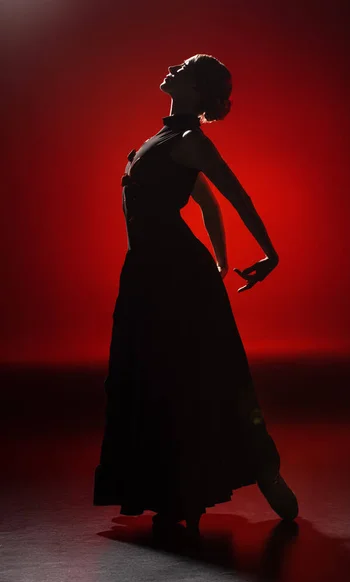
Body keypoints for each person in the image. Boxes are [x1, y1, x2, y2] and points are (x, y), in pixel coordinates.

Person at [93, 53, 298, 540]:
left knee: (195, 378)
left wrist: (269, 254)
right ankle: (166, 490)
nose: (170, 67)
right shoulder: (159, 141)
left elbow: (235, 196)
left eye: (182, 67)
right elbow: (204, 202)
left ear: (196, 91)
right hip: (148, 274)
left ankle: (251, 472)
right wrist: (223, 260)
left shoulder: (190, 141)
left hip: (177, 279)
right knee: (149, 376)